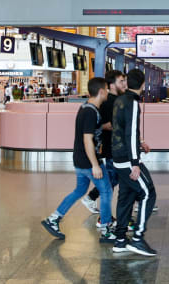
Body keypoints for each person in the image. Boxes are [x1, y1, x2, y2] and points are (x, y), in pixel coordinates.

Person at [41, 77, 115, 243]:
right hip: (89, 161)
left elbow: (89, 129)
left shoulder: (86, 108)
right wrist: (95, 165)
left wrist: (103, 126)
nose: (108, 93)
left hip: (80, 160)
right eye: (107, 90)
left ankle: (53, 219)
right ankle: (106, 230)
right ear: (102, 91)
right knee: (106, 191)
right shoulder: (90, 111)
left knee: (80, 191)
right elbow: (87, 139)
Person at [111, 69, 158, 256]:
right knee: (148, 192)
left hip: (117, 156)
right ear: (143, 85)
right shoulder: (132, 103)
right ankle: (138, 238)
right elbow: (130, 133)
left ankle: (120, 239)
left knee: (127, 195)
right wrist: (135, 162)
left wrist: (139, 143)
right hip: (127, 159)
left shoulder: (119, 100)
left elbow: (122, 130)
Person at [83, 70, 127, 216]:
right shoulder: (109, 102)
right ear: (111, 85)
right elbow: (98, 125)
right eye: (121, 81)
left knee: (113, 178)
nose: (124, 84)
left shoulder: (115, 100)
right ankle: (103, 216)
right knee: (112, 179)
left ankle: (93, 199)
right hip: (111, 147)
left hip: (114, 147)